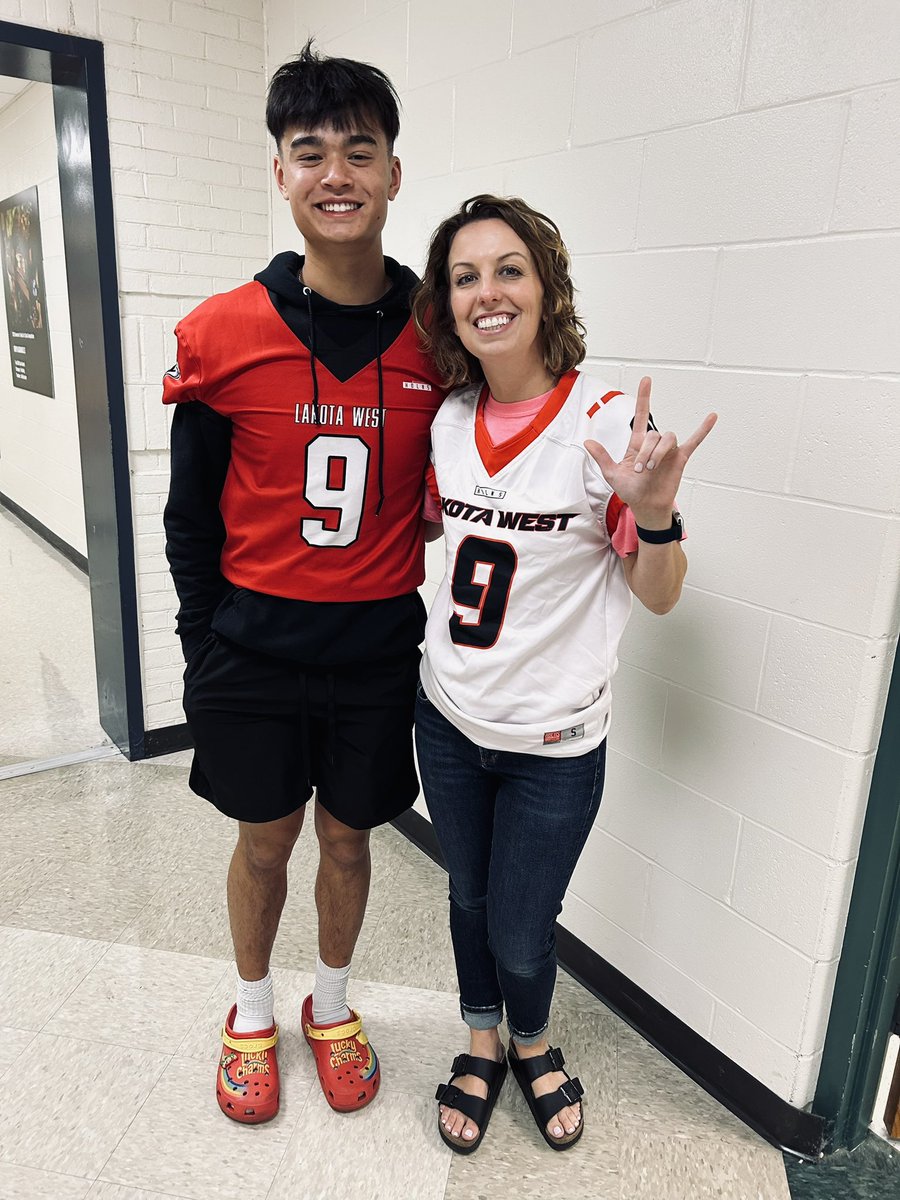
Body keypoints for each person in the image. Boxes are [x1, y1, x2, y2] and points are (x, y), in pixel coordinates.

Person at [162, 42, 443, 1124]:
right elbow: (190, 518)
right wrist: (201, 652)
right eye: (309, 150)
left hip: (375, 645)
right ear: (279, 172)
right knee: (265, 838)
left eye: (359, 151)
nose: (337, 173)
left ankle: (330, 1006)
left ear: (392, 174)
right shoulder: (224, 332)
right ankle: (248, 1010)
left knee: (346, 837)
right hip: (255, 648)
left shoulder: (439, 333)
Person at [411, 195, 716, 1153]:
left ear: (546, 288)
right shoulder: (450, 420)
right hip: (449, 720)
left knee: (519, 926)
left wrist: (657, 515)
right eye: (466, 277)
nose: (487, 292)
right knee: (465, 898)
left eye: (509, 270)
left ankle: (534, 1044)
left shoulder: (606, 423)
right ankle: (481, 1041)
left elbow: (659, 595)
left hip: (552, 746)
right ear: (447, 301)